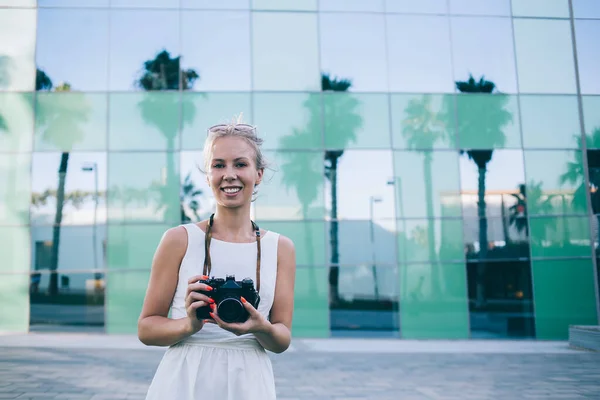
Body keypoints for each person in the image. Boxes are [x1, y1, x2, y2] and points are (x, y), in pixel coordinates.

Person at [138, 120, 297, 400]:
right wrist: (189, 325)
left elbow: (282, 338)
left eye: (240, 164)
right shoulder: (178, 239)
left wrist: (261, 327)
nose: (229, 175)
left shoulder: (281, 248)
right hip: (184, 380)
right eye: (218, 165)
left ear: (258, 173)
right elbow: (147, 328)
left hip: (249, 382)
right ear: (208, 174)